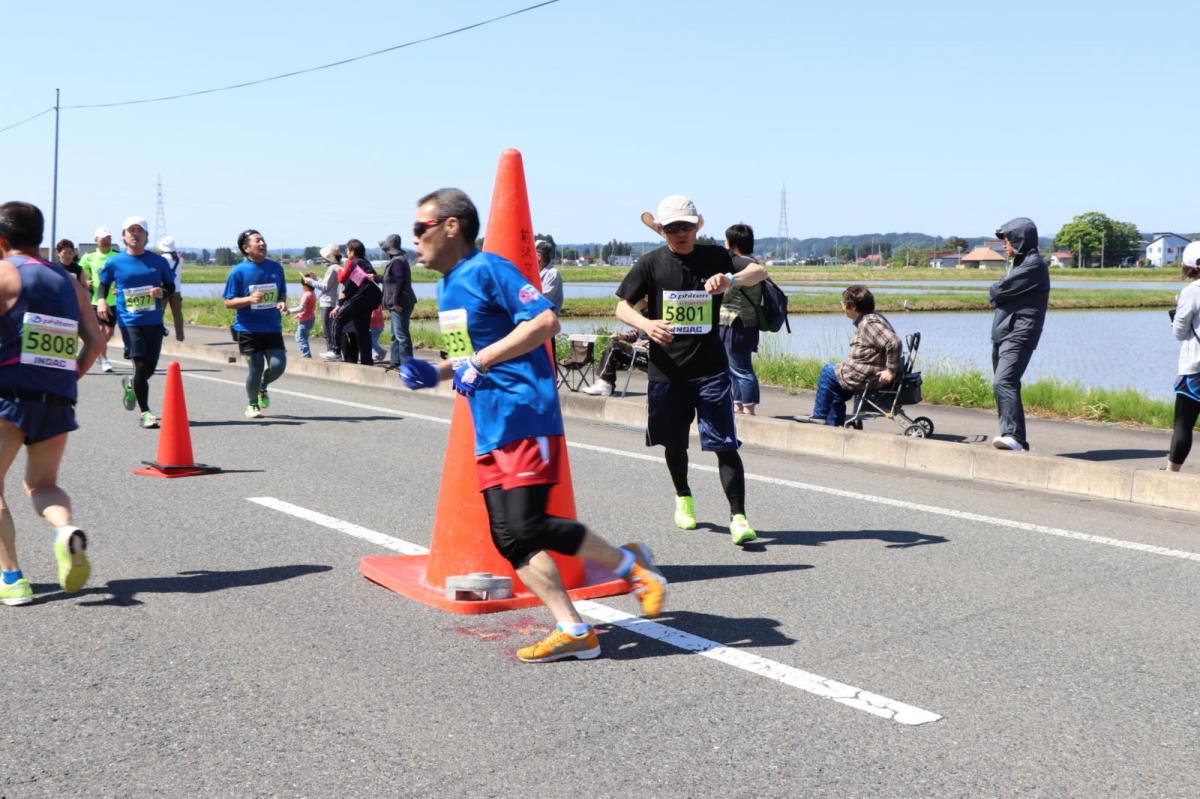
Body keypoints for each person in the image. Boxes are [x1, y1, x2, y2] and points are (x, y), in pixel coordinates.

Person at [399, 187, 666, 663]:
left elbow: (544, 322)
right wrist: (435, 372)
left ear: (451, 227)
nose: (414, 238)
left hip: (524, 413)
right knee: (510, 537)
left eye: (421, 228)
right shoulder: (446, 287)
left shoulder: (489, 269)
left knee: (527, 524)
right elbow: (467, 357)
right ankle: (574, 629)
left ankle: (630, 567)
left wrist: (479, 362)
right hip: (489, 424)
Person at [615, 195, 767, 546]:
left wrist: (730, 279)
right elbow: (621, 306)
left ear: (698, 225)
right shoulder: (650, 263)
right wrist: (646, 325)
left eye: (686, 226)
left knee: (724, 444)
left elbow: (760, 271)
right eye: (672, 228)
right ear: (662, 230)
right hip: (667, 370)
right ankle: (683, 496)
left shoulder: (715, 257)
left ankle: (739, 517)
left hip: (710, 369)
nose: (680, 233)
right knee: (674, 443)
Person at [0, 201, 104, 605]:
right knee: (43, 485)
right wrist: (69, 377)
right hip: (57, 398)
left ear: (2, 240)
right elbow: (96, 341)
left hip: (9, 396)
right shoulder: (68, 281)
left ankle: (12, 579)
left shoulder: (5, 274)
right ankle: (64, 530)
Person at [96, 216, 175, 429]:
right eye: (131, 231)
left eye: (140, 231)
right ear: (124, 236)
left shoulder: (158, 261)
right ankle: (146, 412)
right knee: (139, 364)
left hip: (154, 320)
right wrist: (101, 300)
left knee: (149, 368)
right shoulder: (114, 262)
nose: (135, 234)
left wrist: (162, 291)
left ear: (146, 236)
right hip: (129, 321)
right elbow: (103, 285)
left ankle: (131, 382)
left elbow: (170, 286)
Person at [794, 285, 900, 426]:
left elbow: (894, 342)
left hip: (866, 376)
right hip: (865, 373)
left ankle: (819, 415)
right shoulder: (871, 318)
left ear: (853, 307)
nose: (842, 306)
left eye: (843, 303)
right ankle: (834, 425)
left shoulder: (869, 323)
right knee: (835, 389)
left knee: (828, 372)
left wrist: (890, 371)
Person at [990, 217, 1050, 452]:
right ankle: (1016, 439)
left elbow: (998, 291)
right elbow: (1002, 292)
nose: (1004, 245)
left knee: (1003, 381)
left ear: (1019, 240)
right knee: (1006, 384)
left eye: (1007, 240)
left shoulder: (1033, 266)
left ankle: (1013, 435)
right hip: (1005, 332)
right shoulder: (1018, 263)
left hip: (1020, 333)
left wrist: (997, 289)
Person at [223, 229, 289, 418]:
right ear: (246, 248)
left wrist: (281, 302)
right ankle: (252, 404)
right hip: (247, 329)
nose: (262, 244)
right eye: (257, 241)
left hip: (272, 327)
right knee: (256, 367)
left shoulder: (276, 268)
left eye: (263, 240)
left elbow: (281, 293)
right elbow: (228, 302)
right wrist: (249, 299)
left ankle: (262, 386)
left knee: (278, 366)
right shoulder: (238, 271)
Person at [719, 223, 763, 415]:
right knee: (734, 367)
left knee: (741, 368)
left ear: (732, 243)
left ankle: (749, 409)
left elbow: (727, 295)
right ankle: (738, 405)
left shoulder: (741, 266)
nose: (724, 243)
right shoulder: (749, 262)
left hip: (736, 321)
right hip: (744, 322)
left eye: (726, 240)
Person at [1165, 241, 1200, 472]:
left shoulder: (1191, 292)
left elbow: (1179, 332)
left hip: (1195, 368)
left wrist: (1175, 317)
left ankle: (1171, 474)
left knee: (1183, 424)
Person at [330, 239, 381, 366]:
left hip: (361, 297)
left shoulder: (356, 262)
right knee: (362, 330)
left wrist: (341, 302)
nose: (346, 252)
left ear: (352, 252)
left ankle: (335, 352)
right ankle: (366, 361)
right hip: (371, 299)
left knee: (337, 320)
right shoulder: (365, 262)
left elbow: (352, 284)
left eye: (347, 250)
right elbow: (364, 280)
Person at [79, 226, 119, 373]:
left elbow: (123, 274)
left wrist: (120, 287)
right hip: (96, 300)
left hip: (113, 300)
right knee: (100, 330)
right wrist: (86, 281)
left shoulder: (117, 256)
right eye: (103, 239)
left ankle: (97, 350)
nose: (106, 241)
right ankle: (104, 360)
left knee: (109, 332)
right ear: (96, 240)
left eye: (109, 238)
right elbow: (80, 271)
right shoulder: (88, 257)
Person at [379, 233, 416, 366]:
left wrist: (396, 302)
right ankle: (395, 361)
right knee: (395, 335)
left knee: (401, 335)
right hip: (400, 302)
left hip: (400, 303)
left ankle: (408, 365)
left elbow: (400, 281)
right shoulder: (397, 260)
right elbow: (391, 280)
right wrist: (374, 277)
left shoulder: (397, 262)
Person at [581, 326, 648, 397]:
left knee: (614, 347)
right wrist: (622, 336)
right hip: (636, 352)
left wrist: (645, 343)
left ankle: (605, 385)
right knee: (613, 346)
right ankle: (605, 383)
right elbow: (635, 334)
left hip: (648, 358)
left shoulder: (655, 323)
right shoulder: (645, 322)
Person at [313, 244, 342, 360]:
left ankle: (331, 351)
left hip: (327, 302)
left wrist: (310, 281)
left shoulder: (332, 268)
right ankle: (334, 351)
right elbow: (328, 284)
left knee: (327, 329)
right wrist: (316, 278)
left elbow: (325, 287)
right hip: (334, 301)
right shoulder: (338, 267)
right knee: (332, 328)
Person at [158, 236, 185, 342]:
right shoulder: (179, 259)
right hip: (176, 289)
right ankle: (180, 336)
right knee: (177, 314)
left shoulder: (161, 258)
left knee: (159, 313)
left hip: (164, 289)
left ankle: (159, 333)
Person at [289, 272, 318, 358]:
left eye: (302, 285)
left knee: (300, 337)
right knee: (301, 337)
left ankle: (306, 355)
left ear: (306, 285)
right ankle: (306, 354)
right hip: (309, 319)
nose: (301, 286)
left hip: (306, 320)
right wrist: (299, 315)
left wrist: (289, 310)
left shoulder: (306, 295)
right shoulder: (312, 293)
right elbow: (307, 308)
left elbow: (301, 308)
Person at [535, 239, 563, 313]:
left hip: (545, 317)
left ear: (539, 257)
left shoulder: (552, 273)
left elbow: (543, 301)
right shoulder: (536, 272)